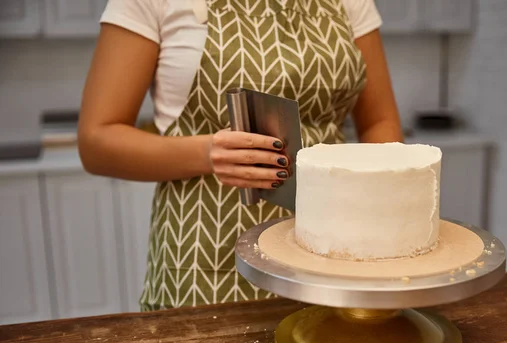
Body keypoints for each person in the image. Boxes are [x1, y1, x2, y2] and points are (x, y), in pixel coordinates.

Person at [78, 0, 403, 311]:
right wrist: (207, 153)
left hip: (332, 249)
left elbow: (379, 122)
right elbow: (97, 141)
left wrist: (384, 224)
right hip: (204, 259)